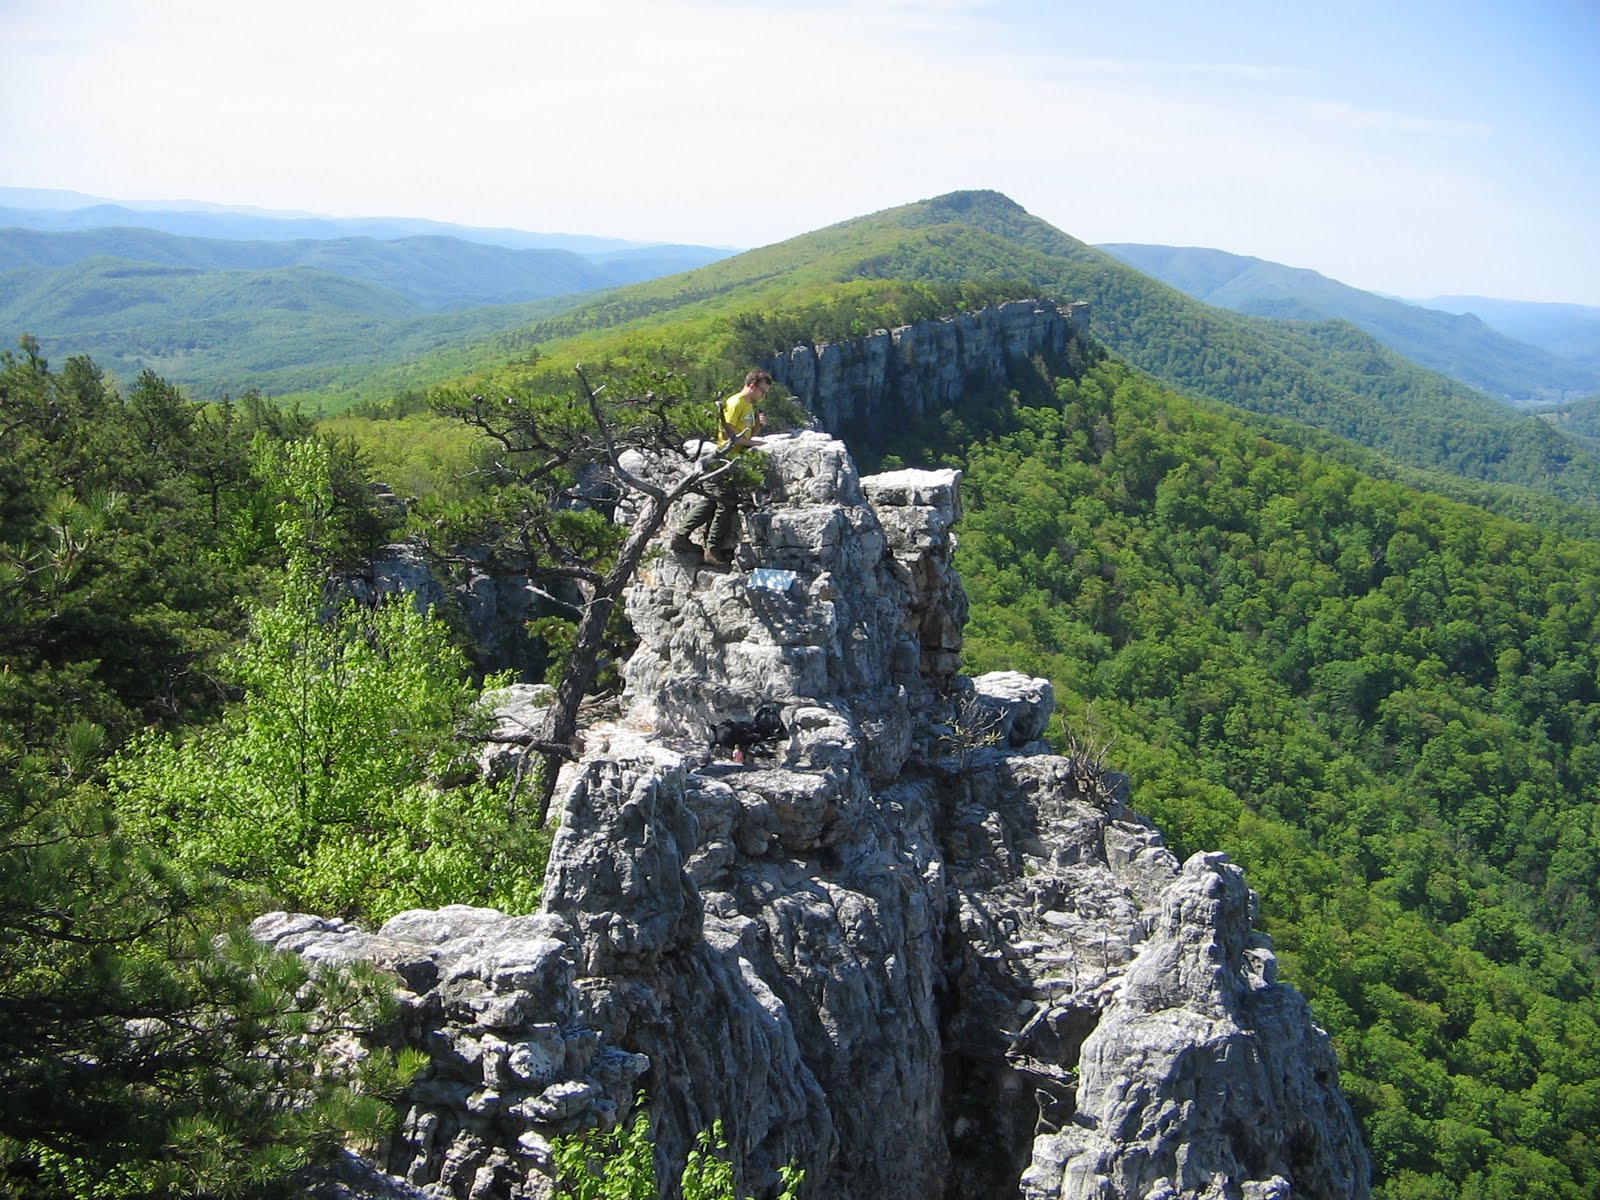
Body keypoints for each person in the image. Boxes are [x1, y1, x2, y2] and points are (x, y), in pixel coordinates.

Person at [671, 369, 771, 565]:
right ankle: (712, 549)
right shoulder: (735, 404)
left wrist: (758, 427)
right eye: (762, 391)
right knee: (725, 503)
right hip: (723, 461)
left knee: (712, 502)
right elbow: (729, 438)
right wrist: (758, 444)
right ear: (751, 386)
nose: (763, 396)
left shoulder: (749, 405)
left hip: (732, 462)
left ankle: (681, 537)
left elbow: (746, 435)